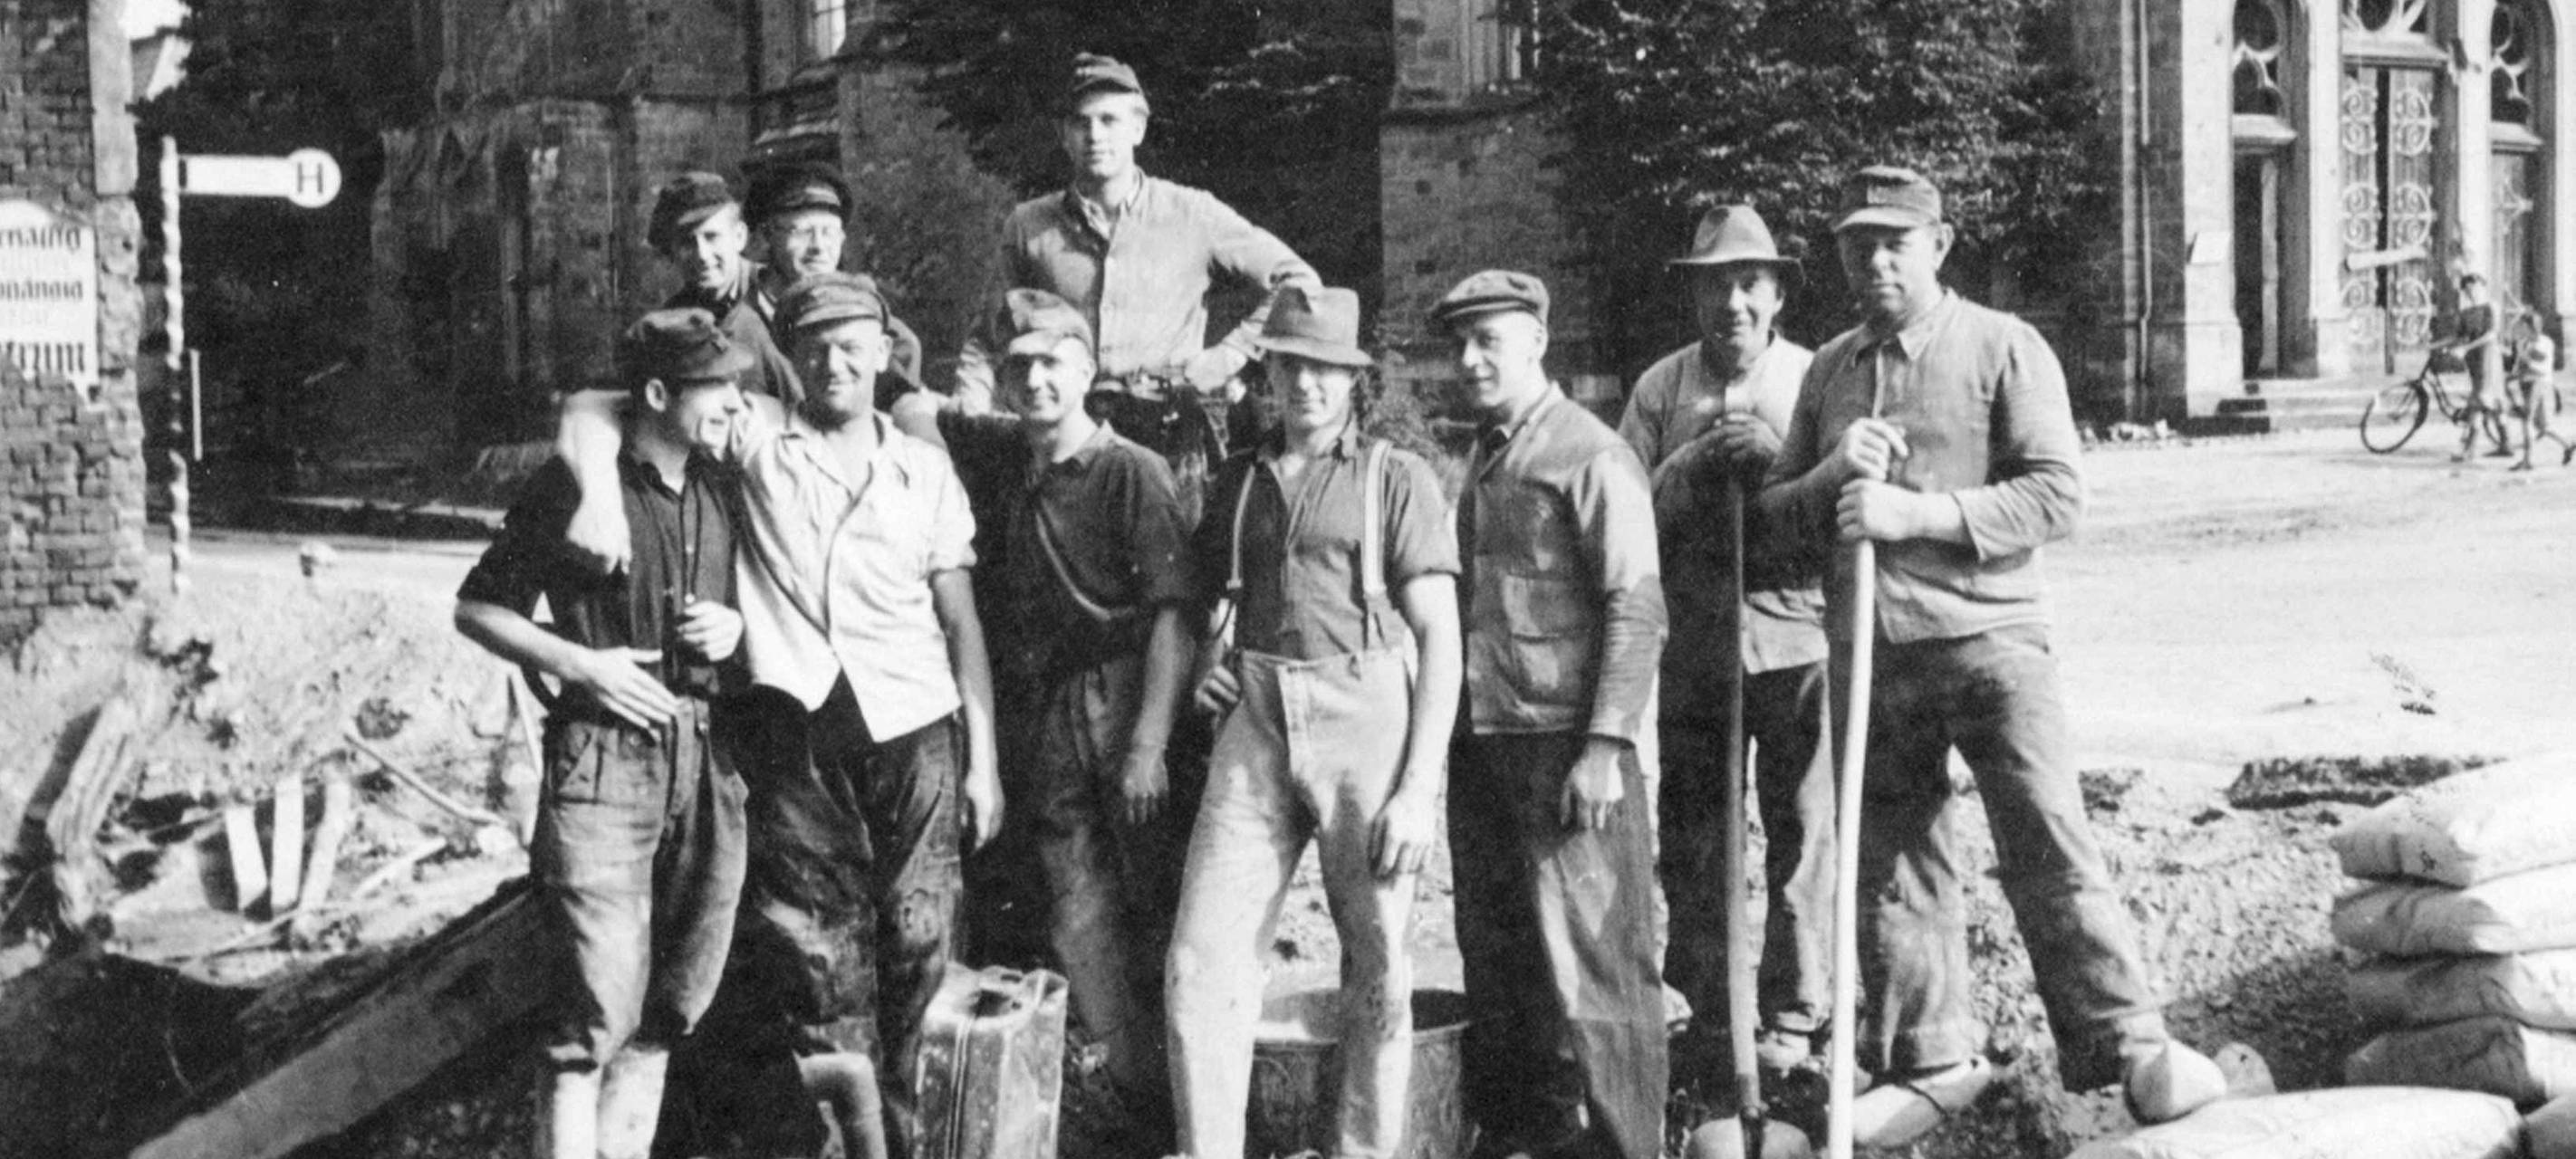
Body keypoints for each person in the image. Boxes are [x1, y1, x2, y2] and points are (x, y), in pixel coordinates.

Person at [1758, 165, 2225, 1148]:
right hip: (1873, 655)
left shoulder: (2004, 346)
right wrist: (1836, 475)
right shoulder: (1830, 369)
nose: (1875, 260)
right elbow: (1777, 523)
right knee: (1894, 863)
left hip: (1991, 641)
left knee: (2047, 839)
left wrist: (1922, 512)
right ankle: (1929, 1054)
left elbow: (2058, 494)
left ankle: (2127, 1043)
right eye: (1857, 243)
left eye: (1896, 241)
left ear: (1941, 244)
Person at [558, 273, 1004, 1153]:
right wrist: (600, 494)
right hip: (798, 727)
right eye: (816, 348)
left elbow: (961, 621)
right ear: (791, 360)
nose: (835, 363)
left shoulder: (923, 466)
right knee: (814, 955)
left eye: (852, 346)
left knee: (919, 941)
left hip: (915, 726)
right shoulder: (756, 433)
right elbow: (592, 403)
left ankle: (905, 1138)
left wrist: (983, 758)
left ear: (883, 352)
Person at [891, 288, 1197, 1144]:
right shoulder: (1004, 455)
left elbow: (1176, 613)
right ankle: (1141, 1102)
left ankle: (1198, 1106)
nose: (1034, 381)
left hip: (1126, 695)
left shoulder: (1131, 470)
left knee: (1155, 908)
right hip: (1046, 713)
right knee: (1077, 911)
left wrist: (1150, 742)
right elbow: (916, 408)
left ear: (1088, 371)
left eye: (1052, 363)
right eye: (1018, 366)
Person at [1163, 284, 1463, 1159]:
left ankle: (1365, 1150)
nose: (1306, 387)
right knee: (1199, 960)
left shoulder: (1390, 478)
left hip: (1364, 714)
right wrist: (1208, 674)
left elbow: (1438, 637)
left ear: (1351, 382)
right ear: (1268, 377)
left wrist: (1417, 790)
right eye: (1291, 367)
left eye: (1325, 371)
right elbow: (1200, 606)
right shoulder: (1241, 479)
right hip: (1256, 720)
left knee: (1377, 966)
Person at [454, 308, 752, 1159]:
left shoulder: (719, 487)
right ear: (657, 394)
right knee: (591, 1018)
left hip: (704, 755)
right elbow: (477, 608)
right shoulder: (575, 488)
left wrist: (732, 633)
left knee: (665, 1012)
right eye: (715, 390)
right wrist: (587, 667)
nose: (733, 406)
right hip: (603, 759)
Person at [1441, 269, 1669, 1159]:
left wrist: (1605, 745)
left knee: (1600, 969)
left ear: (1538, 341)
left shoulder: (1590, 454)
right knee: (1499, 958)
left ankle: (1629, 1144)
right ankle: (1526, 1136)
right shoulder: (1485, 453)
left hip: (1567, 749)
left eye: (1488, 341)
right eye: (1460, 344)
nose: (1470, 360)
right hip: (1486, 741)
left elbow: (1637, 606)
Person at [1615, 205, 1833, 1086]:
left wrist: (1783, 455)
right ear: (1695, 295)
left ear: (1776, 292)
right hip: (1696, 646)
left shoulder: (1820, 377)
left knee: (1802, 830)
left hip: (1798, 637)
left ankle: (1793, 1013)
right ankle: (1709, 1010)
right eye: (1715, 284)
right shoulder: (1661, 390)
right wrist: (1690, 464)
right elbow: (1622, 511)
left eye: (1749, 283)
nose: (1732, 302)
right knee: (1699, 836)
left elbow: (1844, 505)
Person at [954, 52, 1320, 516]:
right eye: (1081, 122)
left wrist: (1230, 355)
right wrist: (971, 412)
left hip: (1171, 434)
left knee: (1178, 574)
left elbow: (1298, 280)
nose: (1095, 135)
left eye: (1109, 120)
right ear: (1063, 136)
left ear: (1138, 130)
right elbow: (989, 332)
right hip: (1069, 434)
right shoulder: (1030, 228)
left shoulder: (1191, 213)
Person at [743, 160, 927, 397]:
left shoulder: (887, 332)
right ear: (766, 237)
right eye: (802, 231)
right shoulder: (742, 320)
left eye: (829, 232)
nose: (819, 247)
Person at [649, 171, 801, 405]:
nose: (702, 255)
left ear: (739, 237)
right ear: (673, 252)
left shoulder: (779, 297)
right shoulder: (674, 320)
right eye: (688, 242)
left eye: (711, 237)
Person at [2506, 314, 2569, 470]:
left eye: (2522, 326)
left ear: (2529, 327)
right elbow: (2519, 365)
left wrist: (2523, 357)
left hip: (2538, 383)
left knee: (2527, 420)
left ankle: (2527, 460)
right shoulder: (2524, 342)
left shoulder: (2543, 343)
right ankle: (2568, 445)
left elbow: (2539, 366)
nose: (2519, 329)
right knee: (2543, 427)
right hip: (2527, 384)